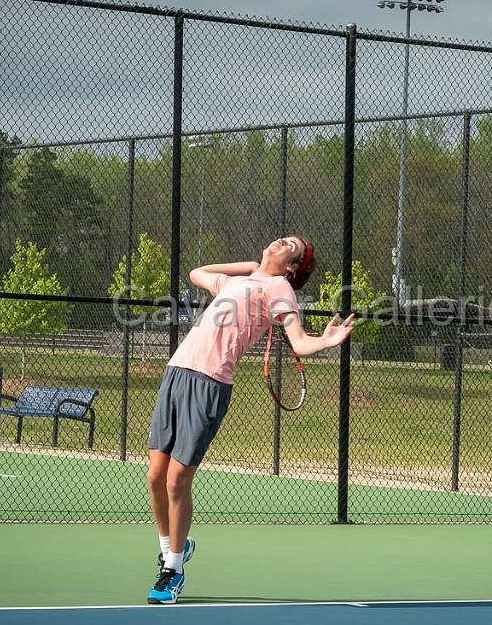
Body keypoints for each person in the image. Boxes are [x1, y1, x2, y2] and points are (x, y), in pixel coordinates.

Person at [145, 236, 355, 605]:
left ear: (292, 267)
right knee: (155, 475)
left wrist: (326, 342)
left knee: (178, 478)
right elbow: (198, 273)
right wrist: (250, 266)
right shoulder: (236, 282)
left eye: (291, 244)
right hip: (177, 371)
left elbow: (300, 340)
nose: (280, 240)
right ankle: (170, 548)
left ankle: (173, 570)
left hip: (210, 382)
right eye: (283, 237)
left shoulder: (279, 289)